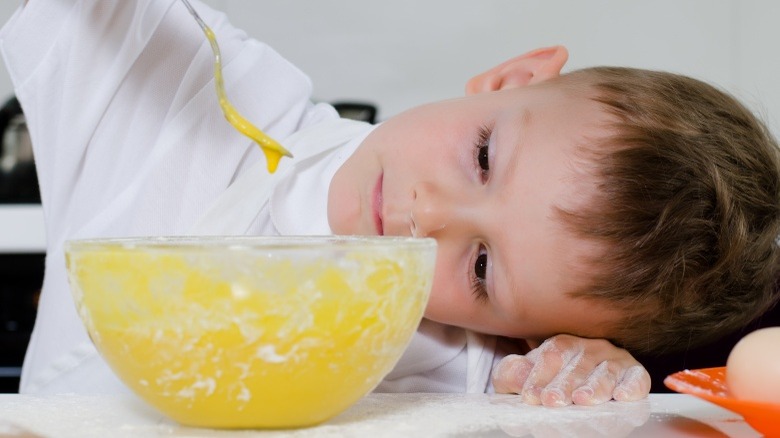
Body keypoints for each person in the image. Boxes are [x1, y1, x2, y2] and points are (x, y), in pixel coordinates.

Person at [2, 0, 777, 407]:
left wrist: (585, 381)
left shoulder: (467, 366)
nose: (426, 216)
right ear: (510, 79)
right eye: (482, 157)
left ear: (523, 331)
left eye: (481, 268)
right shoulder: (197, 93)